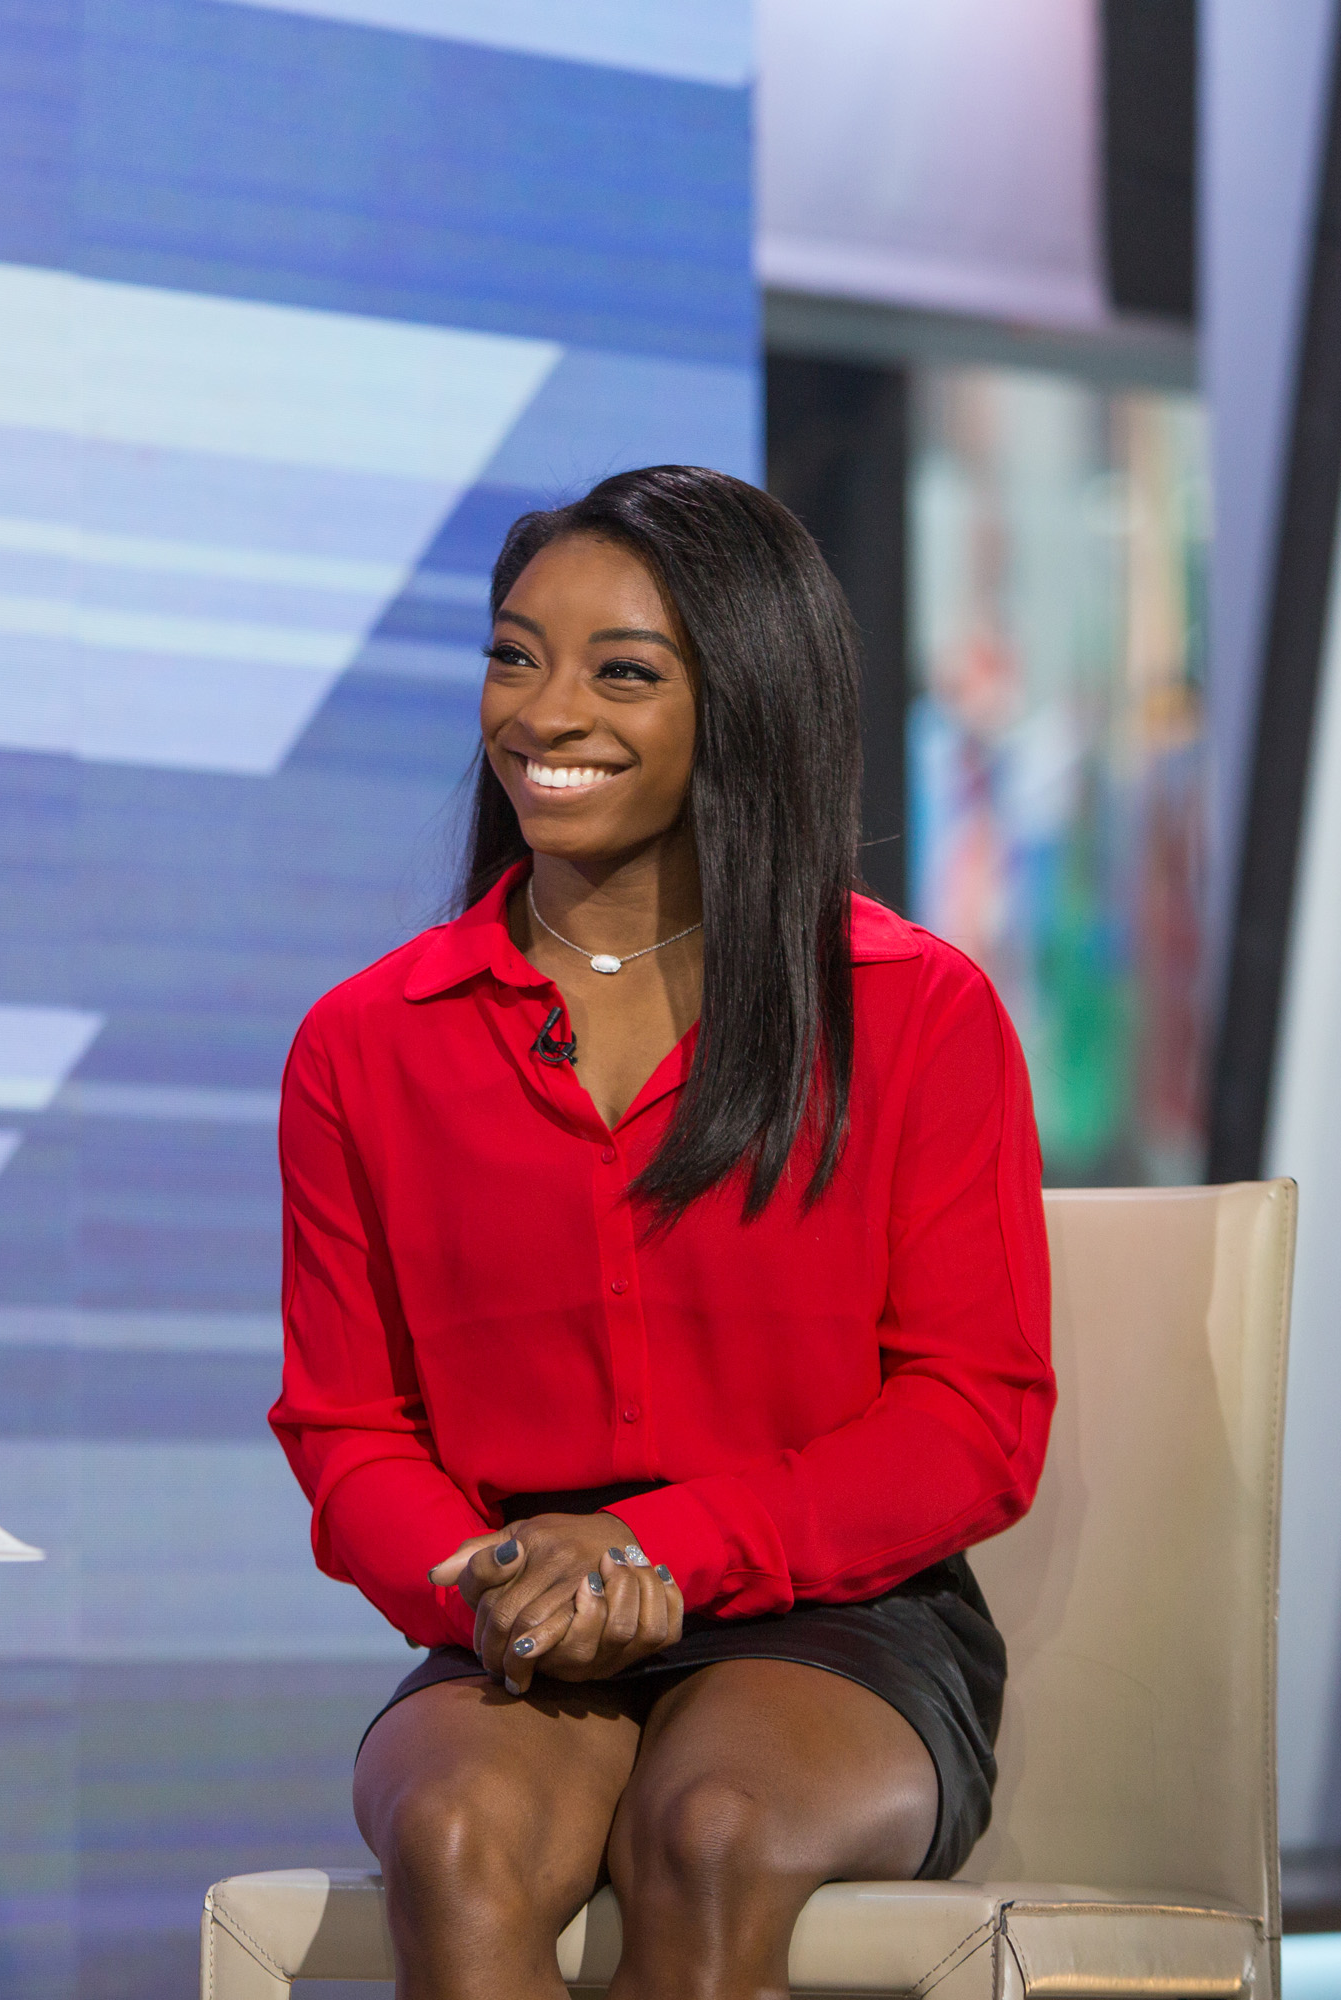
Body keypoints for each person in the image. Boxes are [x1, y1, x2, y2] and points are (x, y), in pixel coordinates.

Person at [269, 466, 1055, 2000]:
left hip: (835, 1621)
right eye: (514, 655)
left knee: (711, 1827)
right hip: (515, 1614)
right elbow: (348, 1425)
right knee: (451, 1835)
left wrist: (659, 1547)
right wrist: (490, 1576)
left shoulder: (910, 1011)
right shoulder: (366, 1043)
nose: (542, 713)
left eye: (622, 673)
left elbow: (975, 1420)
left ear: (744, 702)